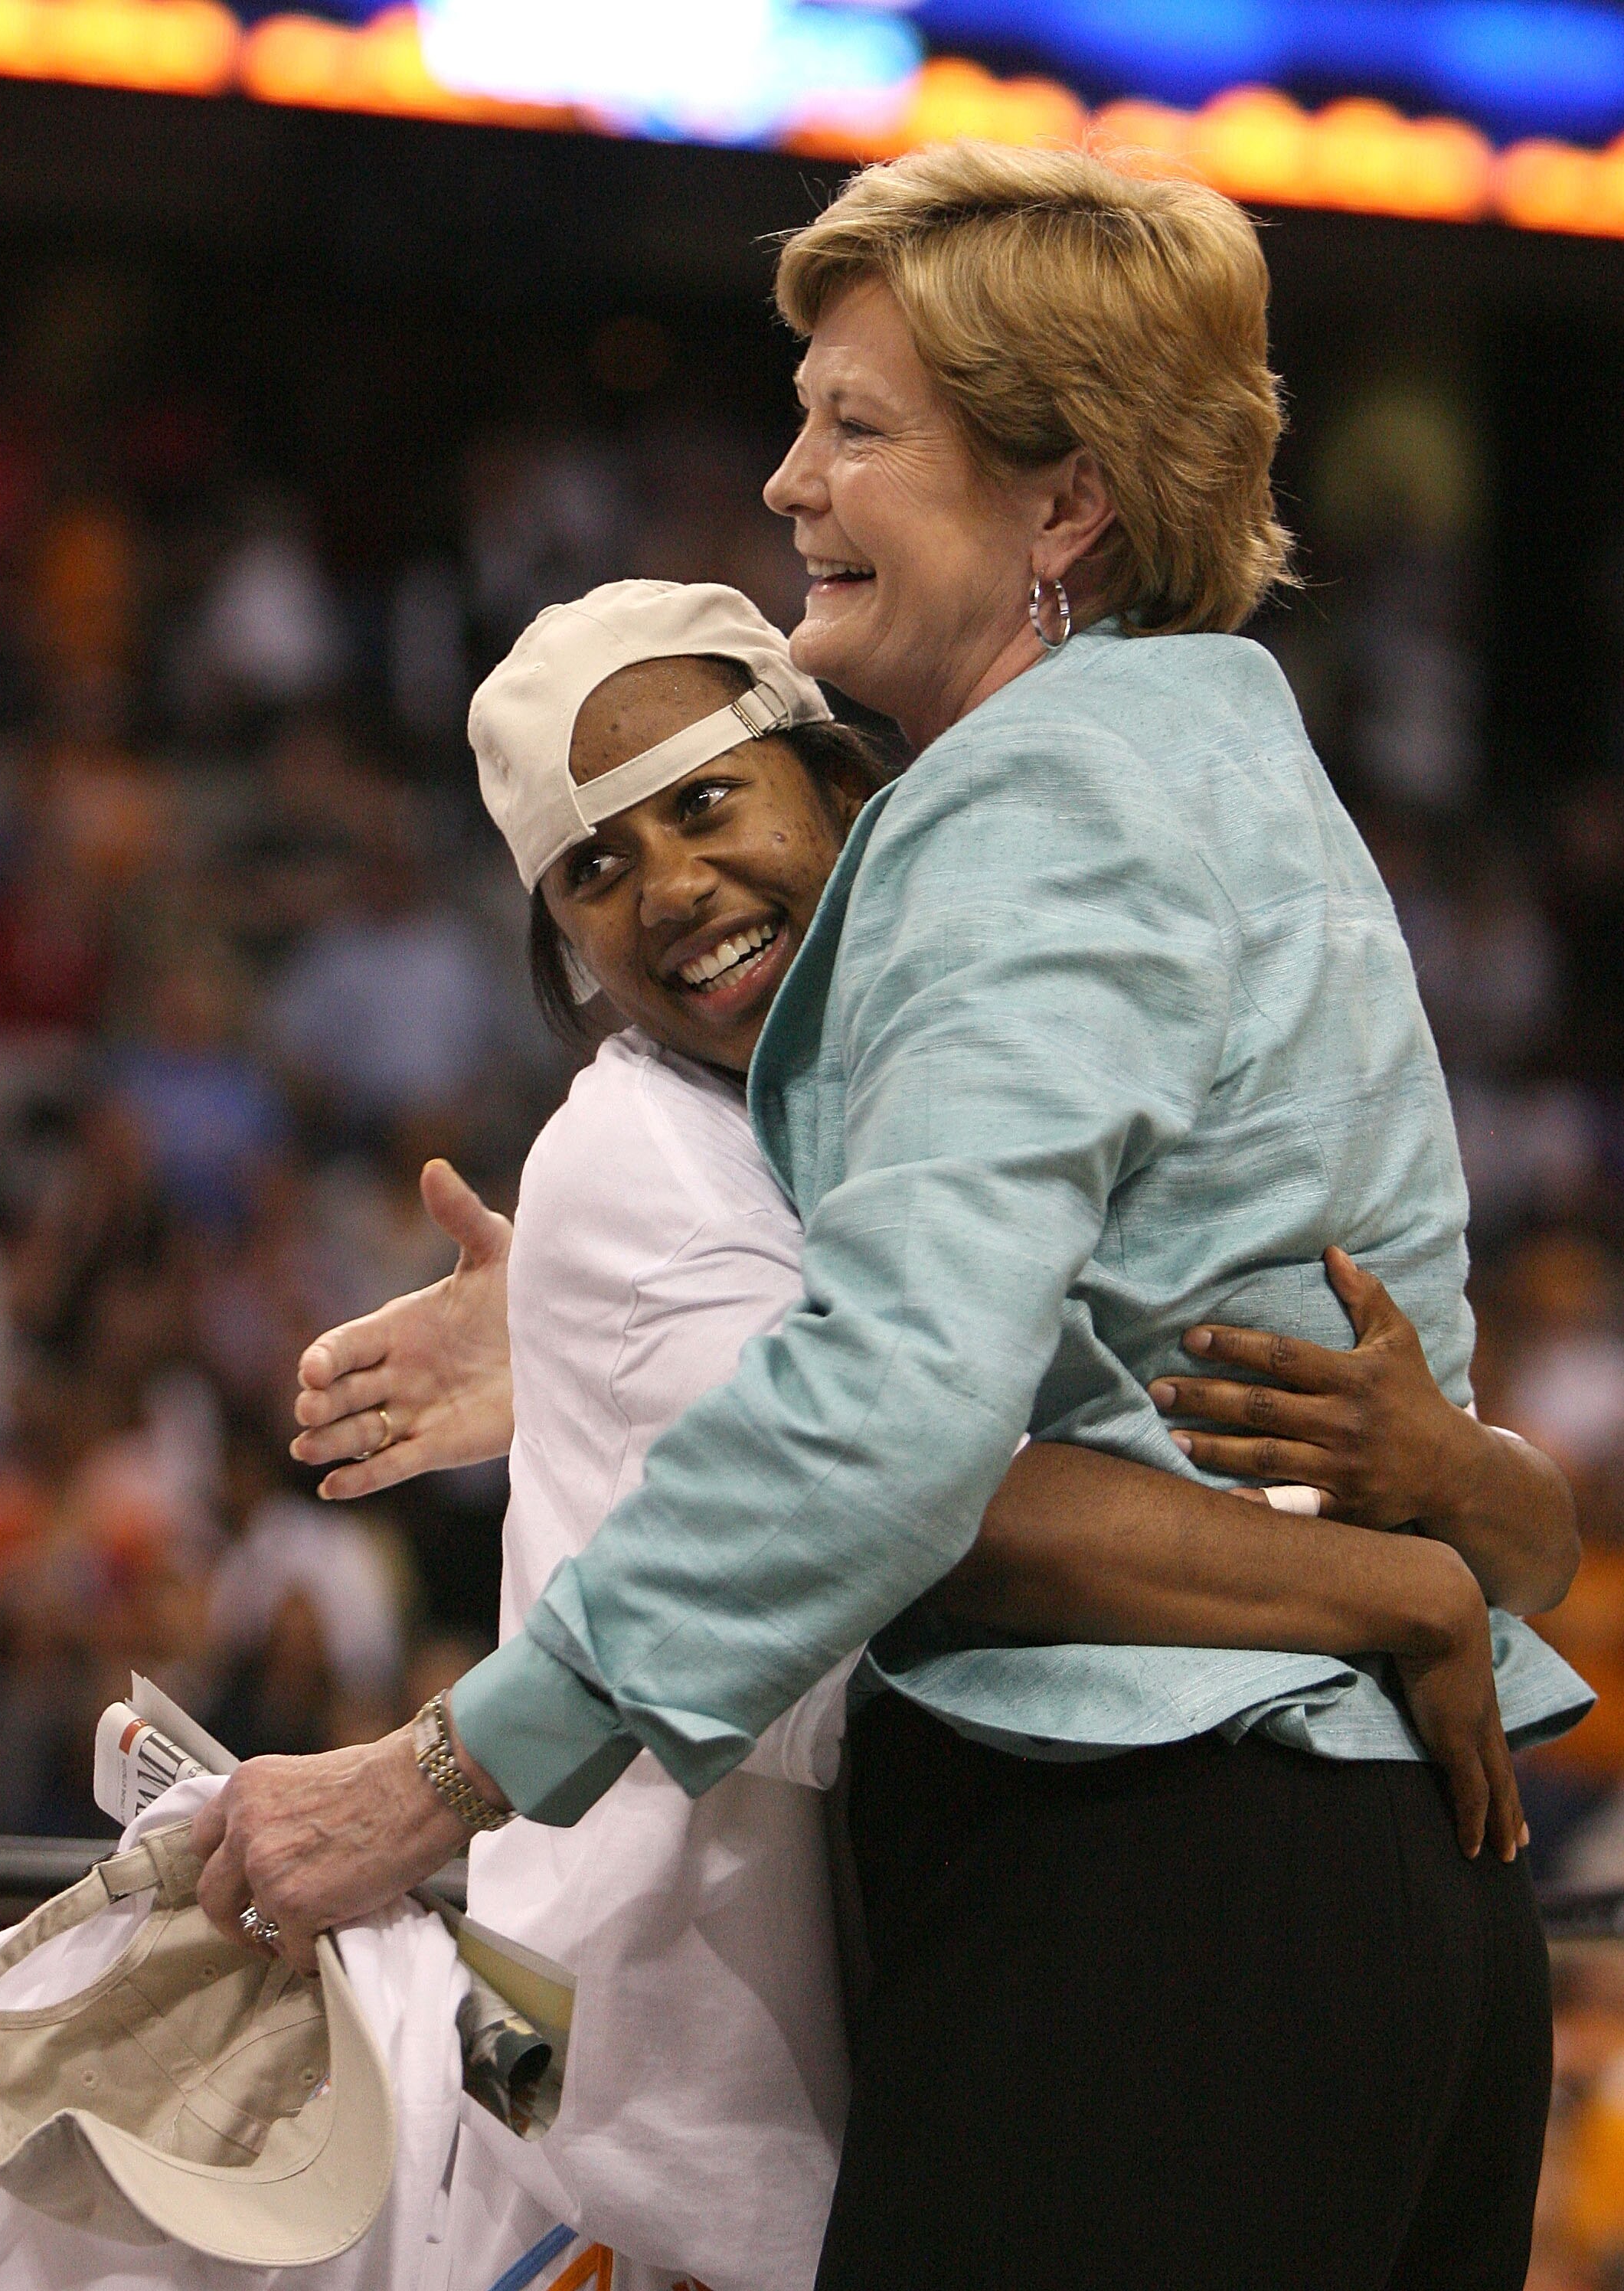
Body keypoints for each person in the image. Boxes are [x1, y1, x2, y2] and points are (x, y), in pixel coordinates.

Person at [198, 147, 1588, 2288]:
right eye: (586, 867)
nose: (785, 482)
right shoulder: (1235, 748)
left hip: (1152, 1903)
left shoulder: (1017, 799)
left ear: (1067, 503)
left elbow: (901, 1417)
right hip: (1411, 1897)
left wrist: (438, 1776)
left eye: (857, 428)